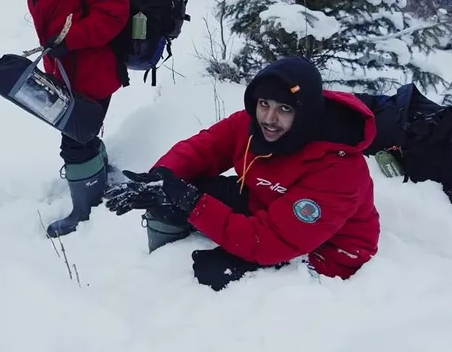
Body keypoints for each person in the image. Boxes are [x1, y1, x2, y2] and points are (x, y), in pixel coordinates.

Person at [105, 56, 380, 289]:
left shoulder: (339, 169)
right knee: (169, 194)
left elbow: (270, 241)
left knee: (212, 272)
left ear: (305, 113)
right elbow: (205, 148)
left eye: (284, 109)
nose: (269, 119)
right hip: (265, 204)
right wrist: (162, 176)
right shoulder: (252, 125)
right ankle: (154, 269)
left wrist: (192, 202)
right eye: (264, 104)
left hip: (325, 250)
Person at [0, 0, 130, 238]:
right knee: (82, 132)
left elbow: (116, 11)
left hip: (94, 70)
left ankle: (86, 212)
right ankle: (99, 174)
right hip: (63, 70)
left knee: (75, 140)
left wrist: (71, 40)